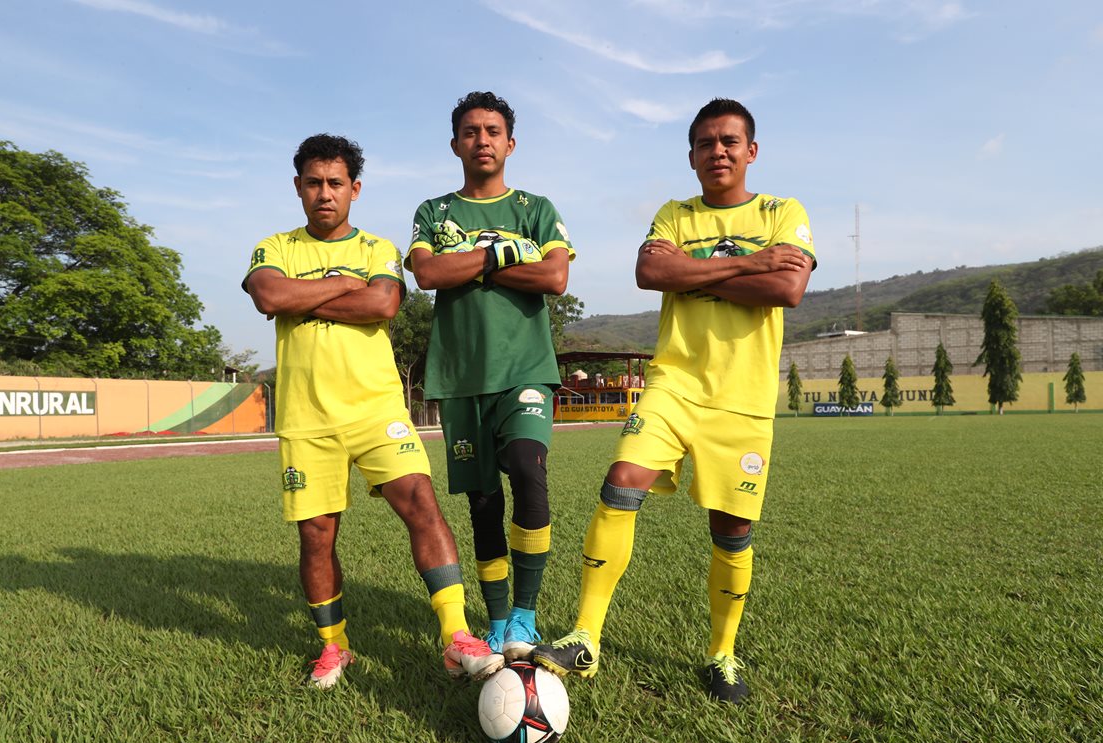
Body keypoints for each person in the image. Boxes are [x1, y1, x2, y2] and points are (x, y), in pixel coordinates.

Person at [532, 98, 816, 703]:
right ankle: (586, 638)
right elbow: (650, 273)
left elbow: (787, 287)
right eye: (707, 143)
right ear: (691, 156)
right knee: (620, 485)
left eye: (730, 141)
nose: (719, 151)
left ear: (752, 151)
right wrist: (751, 261)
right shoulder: (673, 213)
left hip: (743, 398)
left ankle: (722, 654)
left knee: (731, 528)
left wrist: (700, 268)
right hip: (673, 382)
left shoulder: (782, 211)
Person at [242, 133, 503, 689]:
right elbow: (269, 296)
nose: (324, 193)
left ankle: (456, 636)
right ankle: (333, 648)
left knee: (422, 507)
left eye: (335, 183)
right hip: (306, 417)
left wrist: (308, 292)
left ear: (354, 189)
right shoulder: (274, 247)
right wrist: (342, 287)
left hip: (375, 409)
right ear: (298, 187)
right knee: (316, 535)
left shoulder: (377, 248)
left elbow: (383, 302)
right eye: (313, 183)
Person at [406, 91, 574, 661]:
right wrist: (504, 257)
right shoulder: (434, 211)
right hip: (459, 378)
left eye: (493, 130)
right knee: (482, 503)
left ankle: (525, 611)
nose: (483, 140)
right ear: (456, 143)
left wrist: (471, 267)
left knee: (528, 470)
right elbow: (428, 271)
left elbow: (554, 276)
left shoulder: (536, 207)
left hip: (525, 368)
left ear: (510, 143)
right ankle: (498, 617)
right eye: (472, 131)